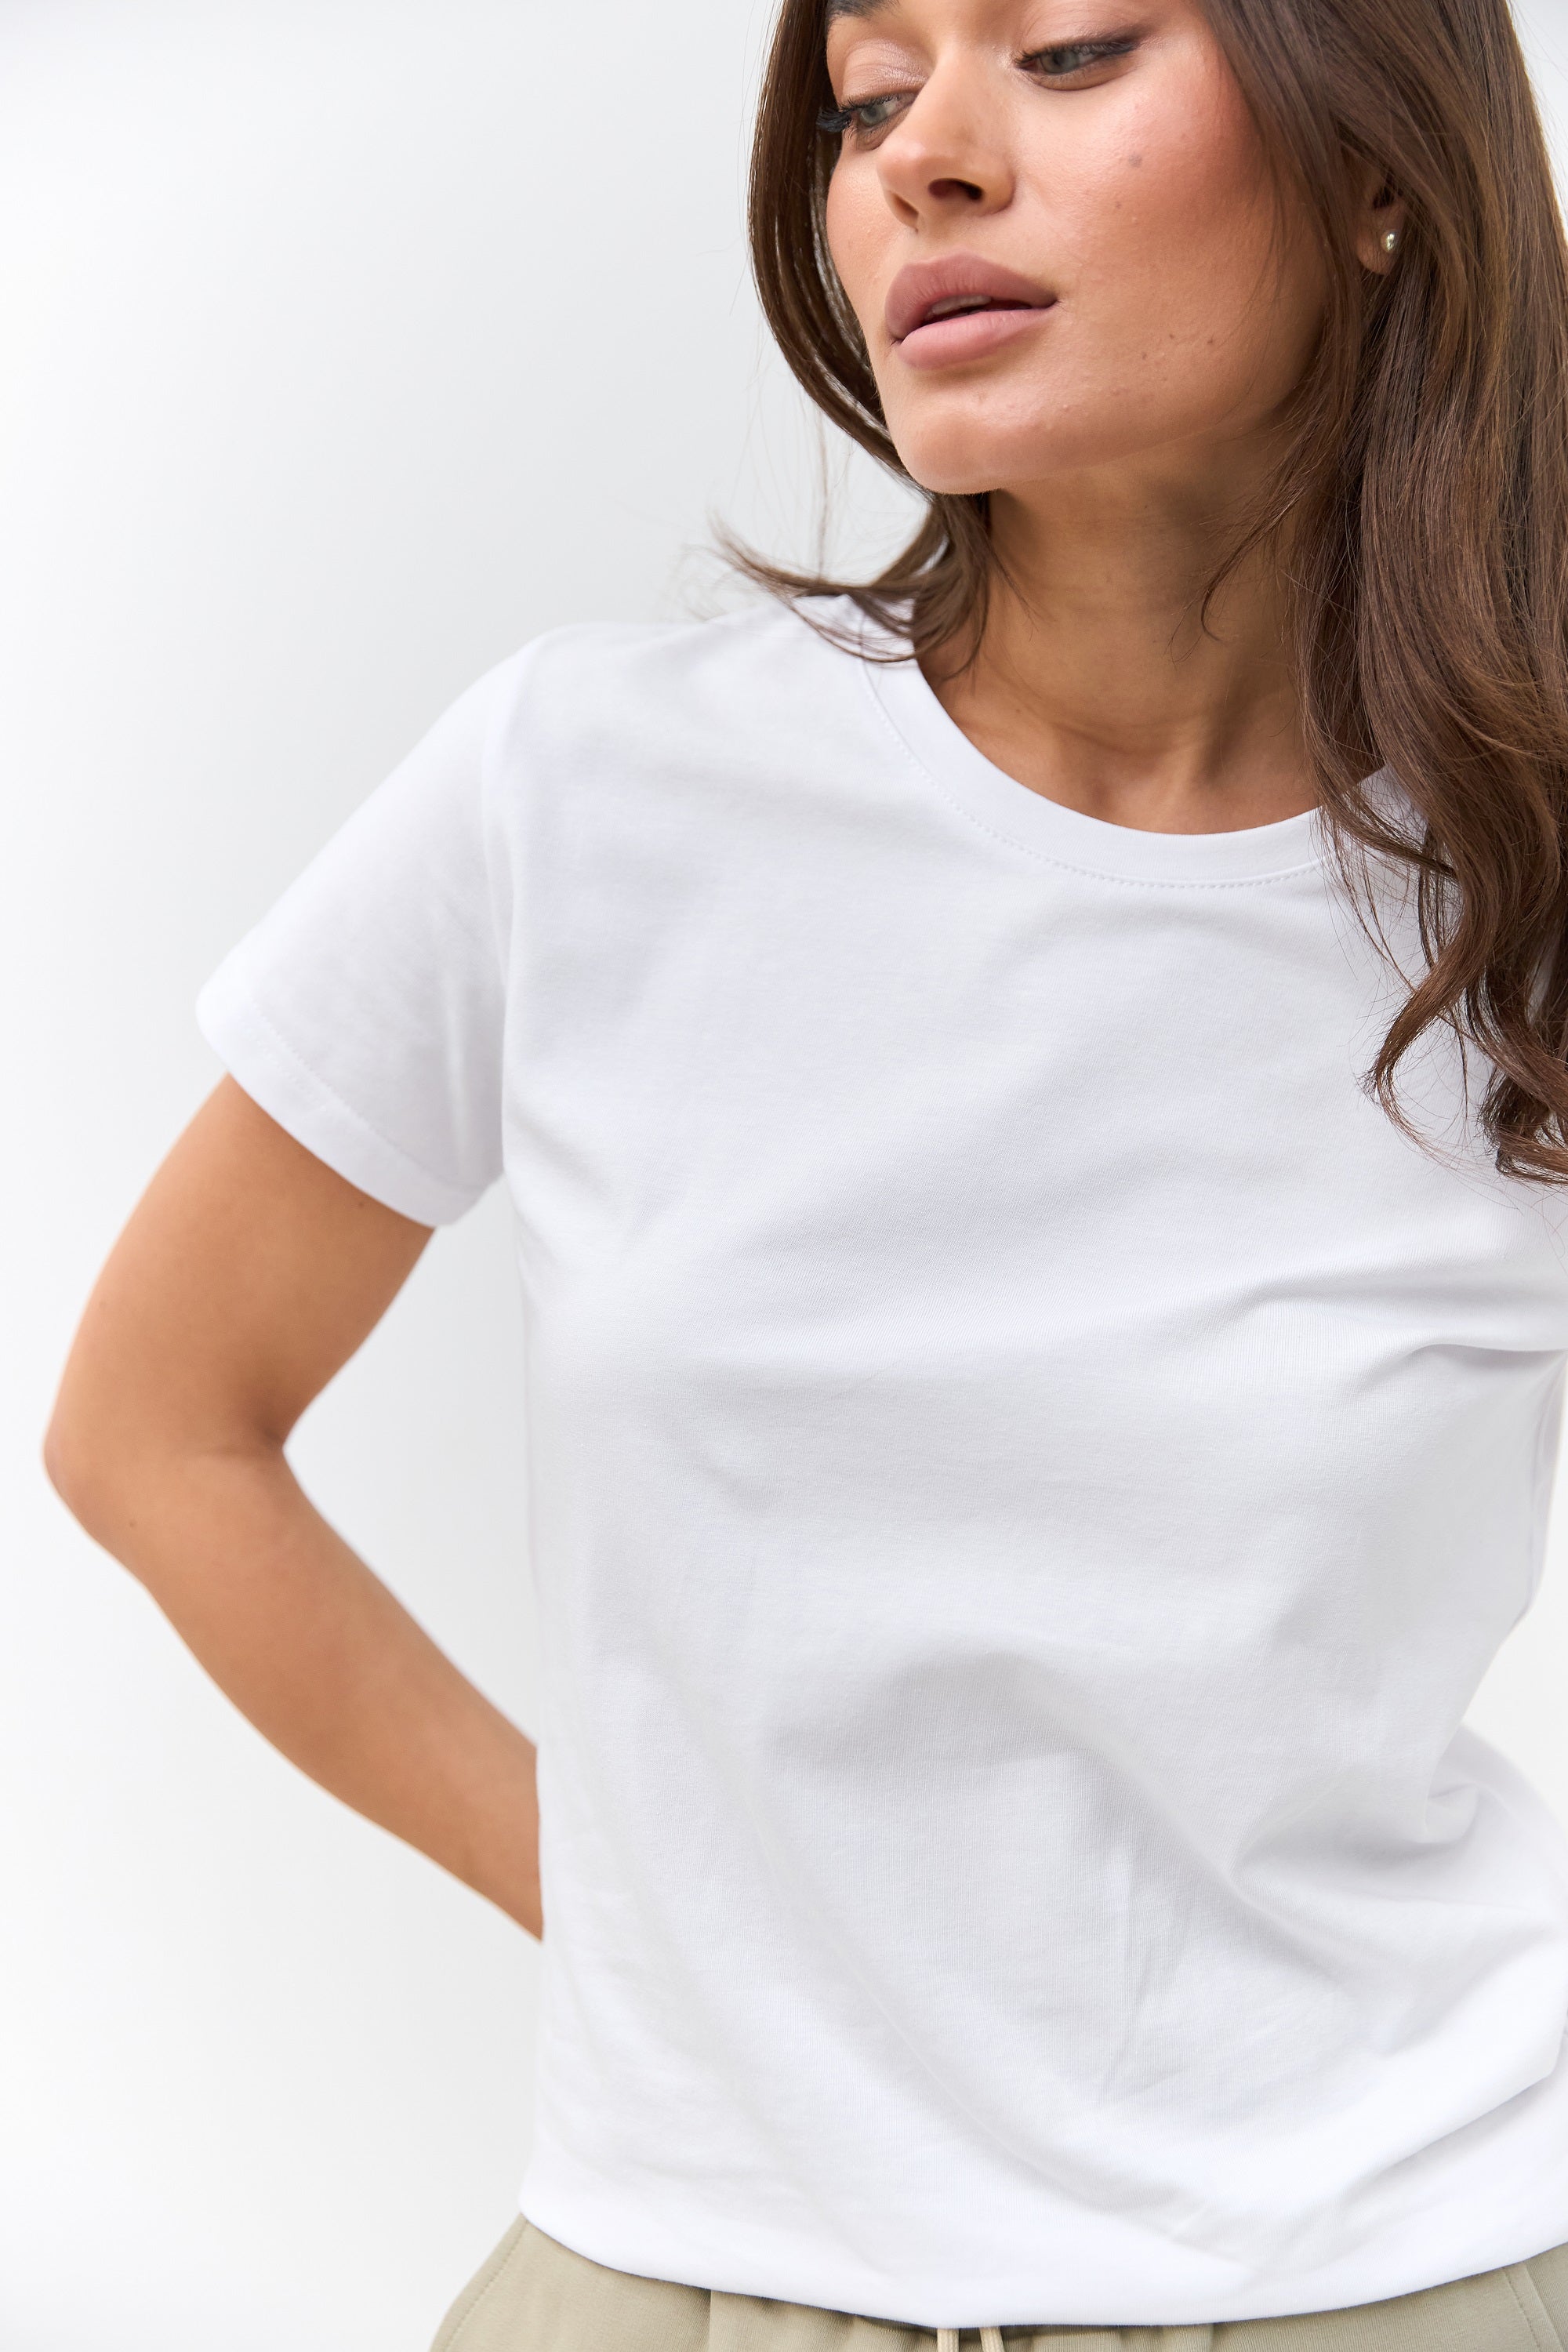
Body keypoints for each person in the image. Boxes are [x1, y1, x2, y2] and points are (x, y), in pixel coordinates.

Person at [43, 0, 1568, 2343]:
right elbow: (155, 1428)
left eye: (1070, 49)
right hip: (680, 2271)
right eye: (867, 96)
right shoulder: (588, 790)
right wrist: (638, 1925)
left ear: (1380, 171)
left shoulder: (1524, 893)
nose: (922, 158)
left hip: (1411, 2267)